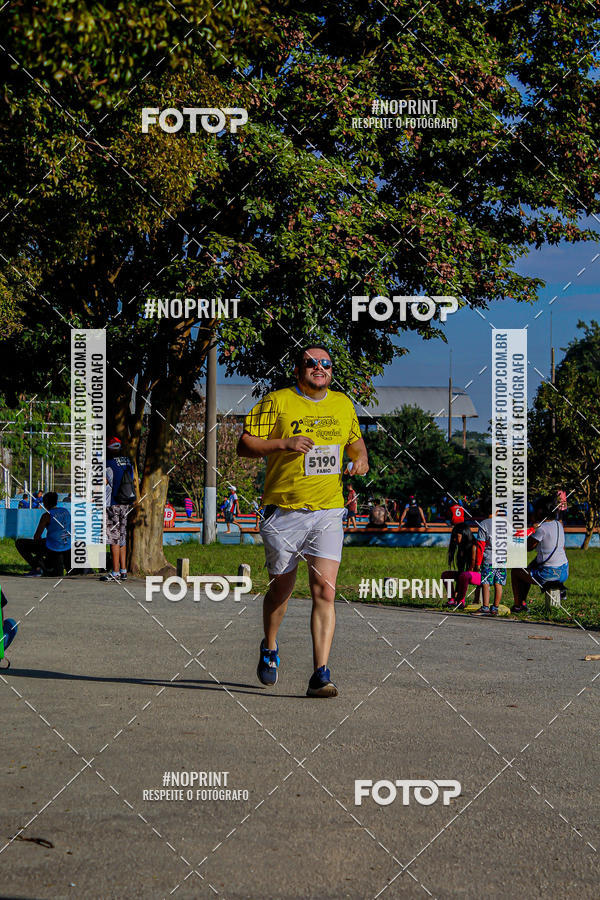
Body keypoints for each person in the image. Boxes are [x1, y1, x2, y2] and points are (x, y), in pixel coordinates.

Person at [237, 343, 369, 697]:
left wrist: (361, 460)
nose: (319, 367)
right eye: (312, 363)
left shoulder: (342, 404)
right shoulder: (277, 401)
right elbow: (245, 444)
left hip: (328, 510)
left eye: (326, 363)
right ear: (299, 370)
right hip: (284, 510)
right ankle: (270, 645)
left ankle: (320, 674)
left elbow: (356, 443)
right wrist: (283, 444)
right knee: (282, 587)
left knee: (324, 589)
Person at [511, 497, 569, 613]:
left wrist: (532, 529)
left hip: (548, 574)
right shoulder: (559, 525)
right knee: (530, 567)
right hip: (564, 571)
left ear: (540, 512)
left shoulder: (541, 529)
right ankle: (522, 603)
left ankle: (519, 605)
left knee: (516, 571)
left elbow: (528, 547)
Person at [101, 436, 136, 583]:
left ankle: (114, 572)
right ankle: (123, 570)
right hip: (126, 504)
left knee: (113, 538)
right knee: (122, 536)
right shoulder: (128, 462)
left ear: (109, 449)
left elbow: (105, 482)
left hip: (113, 503)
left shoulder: (108, 464)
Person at [15, 491, 71, 576]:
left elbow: (37, 536)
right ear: (56, 501)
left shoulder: (46, 515)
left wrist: (40, 554)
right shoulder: (66, 511)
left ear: (45, 503)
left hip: (53, 546)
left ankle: (37, 568)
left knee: (20, 543)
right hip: (67, 544)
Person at [471, 498, 506, 616]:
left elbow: (480, 546)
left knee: (486, 582)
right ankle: (495, 608)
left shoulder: (484, 524)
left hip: (488, 558)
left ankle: (485, 607)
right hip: (501, 558)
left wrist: (478, 563)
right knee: (498, 583)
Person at [442, 523, 482, 609]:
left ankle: (460, 601)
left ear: (464, 535)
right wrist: (456, 591)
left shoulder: (474, 546)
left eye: (456, 536)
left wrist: (459, 593)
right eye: (453, 537)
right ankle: (452, 599)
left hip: (482, 576)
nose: (454, 539)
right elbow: (461, 571)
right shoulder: (461, 548)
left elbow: (473, 570)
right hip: (466, 575)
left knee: (464, 575)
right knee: (445, 575)